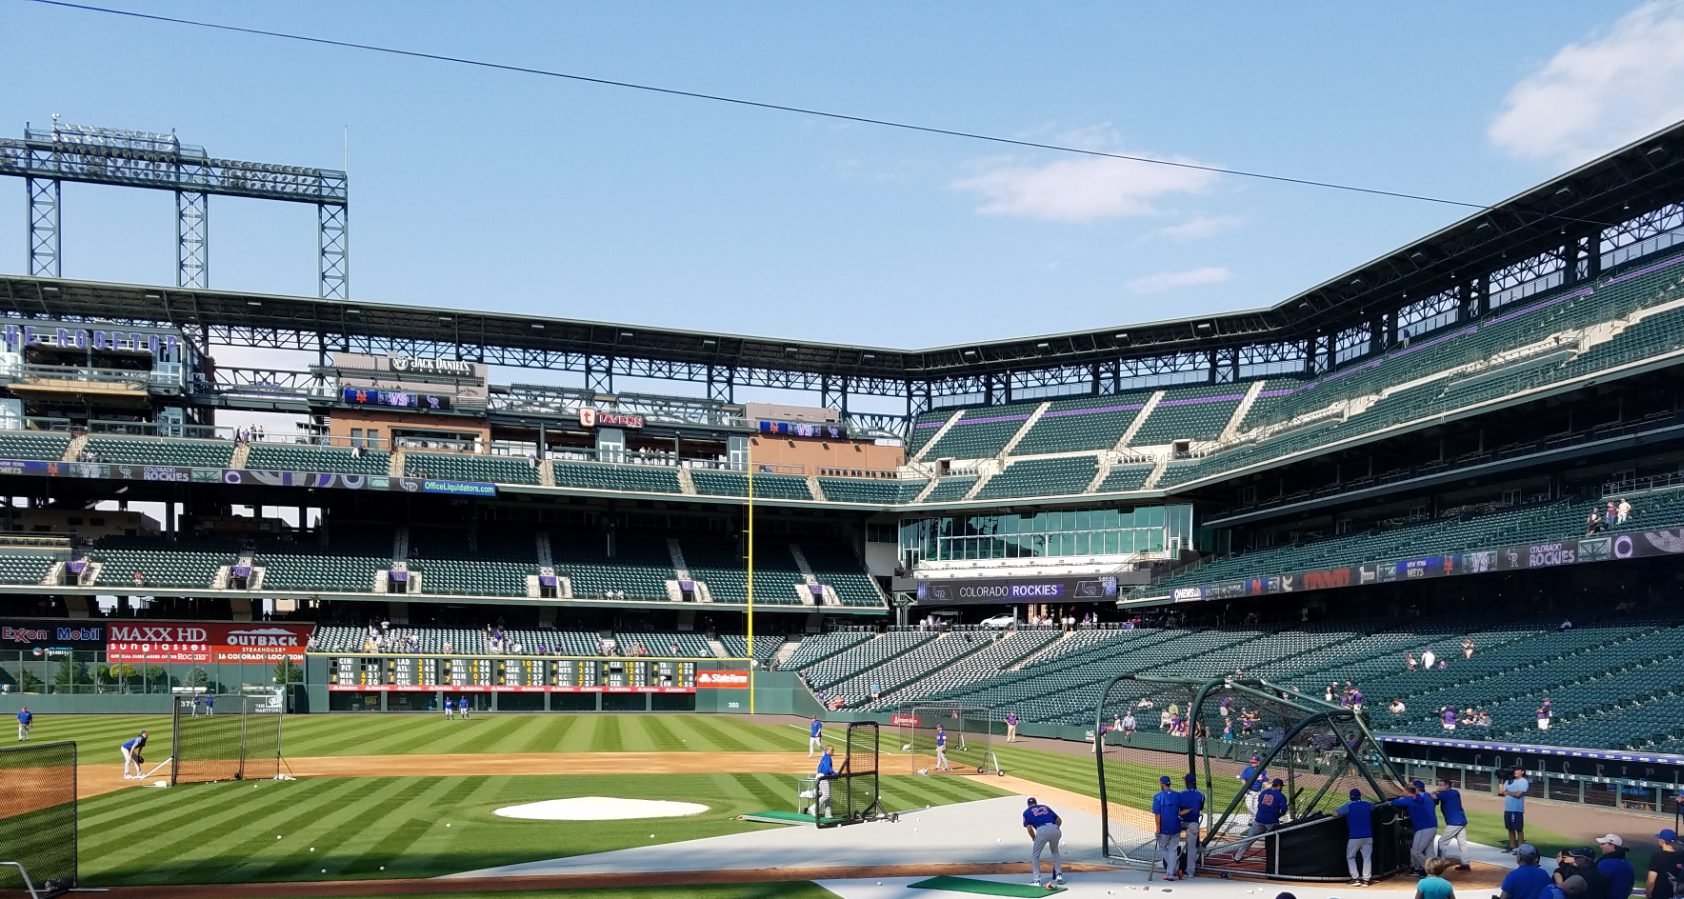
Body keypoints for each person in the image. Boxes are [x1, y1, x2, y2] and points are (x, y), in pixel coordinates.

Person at [1232, 777, 1287, 860]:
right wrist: (1279, 814)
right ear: (1279, 786)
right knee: (1276, 841)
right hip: (1271, 821)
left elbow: (1259, 804)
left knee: (1249, 840)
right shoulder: (1282, 796)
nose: (1282, 788)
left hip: (1259, 819)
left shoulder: (1264, 792)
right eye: (1281, 786)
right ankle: (1276, 860)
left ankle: (1237, 856)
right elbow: (1283, 810)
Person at [1393, 781, 1439, 874]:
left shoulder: (1411, 799)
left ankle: (1430, 870)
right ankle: (1435, 869)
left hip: (1423, 828)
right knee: (1429, 851)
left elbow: (1394, 803)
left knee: (1416, 852)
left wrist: (1403, 798)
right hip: (1432, 827)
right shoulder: (1424, 797)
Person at [1335, 788, 1375, 887]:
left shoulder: (1348, 806)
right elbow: (1374, 807)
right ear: (1360, 796)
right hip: (1368, 836)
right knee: (1367, 858)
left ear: (1350, 797)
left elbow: (1335, 813)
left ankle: (1356, 879)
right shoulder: (1367, 804)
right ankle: (1366, 880)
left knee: (1350, 857)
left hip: (1354, 837)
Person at [1023, 797, 1065, 889]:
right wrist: (1054, 829)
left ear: (1028, 805)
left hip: (1042, 830)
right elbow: (1059, 820)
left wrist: (1034, 838)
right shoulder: (1045, 807)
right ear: (1036, 803)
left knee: (1035, 855)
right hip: (1055, 828)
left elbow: (1029, 828)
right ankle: (1059, 875)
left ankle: (1037, 880)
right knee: (1055, 851)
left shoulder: (1026, 812)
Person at [1153, 776, 1186, 881]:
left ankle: (1171, 872)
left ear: (1161, 783)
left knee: (1162, 848)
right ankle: (1173, 870)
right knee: (1173, 850)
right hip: (1176, 827)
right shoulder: (1178, 795)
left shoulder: (1158, 797)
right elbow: (1182, 810)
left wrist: (1158, 829)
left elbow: (1157, 815)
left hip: (1164, 828)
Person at [1434, 777, 1470, 870]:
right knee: (1462, 843)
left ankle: (1439, 864)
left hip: (1454, 823)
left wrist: (1436, 790)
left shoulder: (1445, 794)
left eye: (1441, 785)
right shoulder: (1455, 792)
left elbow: (1431, 796)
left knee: (1442, 842)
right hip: (1461, 821)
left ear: (1447, 786)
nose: (1439, 787)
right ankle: (1465, 863)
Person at [1178, 772, 1205, 878]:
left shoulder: (1181, 794)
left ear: (1187, 782)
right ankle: (1190, 872)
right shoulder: (1201, 794)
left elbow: (1178, 808)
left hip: (1181, 822)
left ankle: (1173, 866)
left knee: (1172, 842)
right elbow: (1201, 807)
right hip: (1193, 823)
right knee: (1192, 847)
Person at [1596, 834, 1635, 899]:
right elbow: (1630, 887)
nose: (1600, 846)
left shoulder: (1605, 864)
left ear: (1612, 845)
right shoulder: (1628, 864)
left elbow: (1597, 885)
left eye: (1603, 844)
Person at [814, 744, 847, 819]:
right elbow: (827, 769)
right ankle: (814, 808)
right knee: (826, 795)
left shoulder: (825, 757)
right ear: (828, 750)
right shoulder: (827, 757)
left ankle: (828, 814)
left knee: (827, 796)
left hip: (822, 776)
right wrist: (835, 774)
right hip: (823, 777)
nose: (833, 751)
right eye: (832, 750)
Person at [1647, 829, 1682, 899]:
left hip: (1659, 895)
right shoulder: (1680, 857)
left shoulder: (1657, 857)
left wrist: (1648, 894)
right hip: (1676, 895)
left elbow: (1651, 880)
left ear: (1662, 841)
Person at [1503, 767, 1530, 852]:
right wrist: (1500, 779)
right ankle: (1512, 846)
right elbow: (1501, 791)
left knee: (1519, 829)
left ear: (1522, 771)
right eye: (1515, 770)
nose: (1515, 772)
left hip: (1517, 809)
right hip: (1508, 808)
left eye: (1518, 770)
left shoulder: (1524, 781)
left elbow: (1519, 794)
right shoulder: (1509, 780)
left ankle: (1520, 848)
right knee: (1510, 828)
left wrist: (1508, 792)